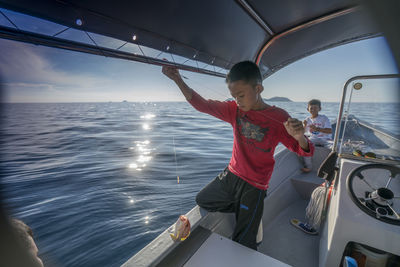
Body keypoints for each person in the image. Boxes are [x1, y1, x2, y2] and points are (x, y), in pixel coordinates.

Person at [162, 61, 314, 250]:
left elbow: (303, 149)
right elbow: (202, 105)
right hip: (231, 175)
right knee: (203, 200)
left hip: (255, 185)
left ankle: (249, 213)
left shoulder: (279, 117)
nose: (237, 101)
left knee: (244, 242)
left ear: (258, 88)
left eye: (241, 95)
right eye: (233, 96)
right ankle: (246, 212)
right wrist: (177, 79)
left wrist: (300, 137)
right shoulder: (234, 110)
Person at [300, 99, 332, 173]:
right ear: (308, 109)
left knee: (336, 148)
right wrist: (304, 126)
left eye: (315, 108)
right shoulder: (307, 120)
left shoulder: (324, 118)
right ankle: (309, 167)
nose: (313, 110)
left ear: (319, 109)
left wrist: (317, 129)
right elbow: (303, 132)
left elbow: (329, 131)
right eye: (311, 108)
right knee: (305, 145)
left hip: (325, 139)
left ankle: (333, 169)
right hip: (313, 138)